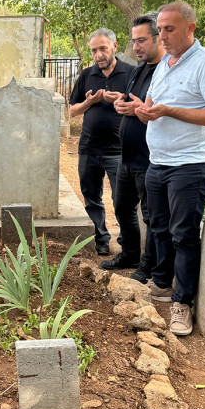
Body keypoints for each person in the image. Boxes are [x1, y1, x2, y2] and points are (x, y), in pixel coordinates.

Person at [134, 1, 205, 336]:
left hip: (191, 165)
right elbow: (154, 105)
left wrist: (169, 111)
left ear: (190, 28)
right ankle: (161, 284)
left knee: (184, 235)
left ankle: (182, 303)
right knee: (158, 227)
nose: (162, 36)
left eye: (168, 29)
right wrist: (139, 110)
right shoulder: (166, 65)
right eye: (159, 29)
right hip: (158, 162)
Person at [100, 13, 164, 283]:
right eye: (133, 41)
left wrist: (139, 108)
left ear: (158, 38)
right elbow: (135, 103)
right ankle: (130, 254)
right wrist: (121, 102)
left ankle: (148, 266)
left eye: (141, 41)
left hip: (149, 159)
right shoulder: (140, 69)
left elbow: (158, 111)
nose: (135, 47)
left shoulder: (165, 71)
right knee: (122, 207)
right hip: (127, 156)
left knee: (151, 216)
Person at [69, 28, 134, 256]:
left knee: (122, 200)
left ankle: (128, 243)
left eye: (103, 49)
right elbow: (72, 110)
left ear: (115, 47)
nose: (98, 55)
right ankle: (101, 238)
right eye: (94, 50)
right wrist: (89, 102)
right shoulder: (87, 75)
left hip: (119, 150)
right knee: (91, 197)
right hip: (89, 148)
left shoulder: (131, 73)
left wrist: (122, 99)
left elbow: (144, 104)